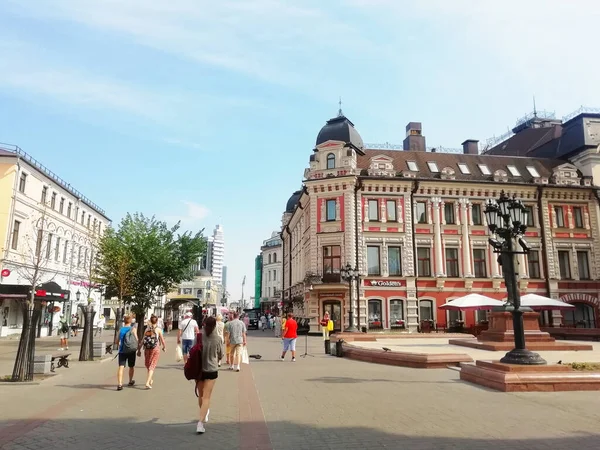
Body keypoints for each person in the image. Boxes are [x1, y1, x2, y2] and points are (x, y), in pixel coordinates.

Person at [195, 316, 224, 434]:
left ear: (204, 324)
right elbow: (221, 354)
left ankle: (203, 414)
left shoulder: (199, 337)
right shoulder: (217, 338)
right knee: (207, 397)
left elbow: (193, 350)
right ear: (214, 326)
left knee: (201, 395)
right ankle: (200, 423)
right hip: (211, 369)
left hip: (199, 369)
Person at [138, 315, 166, 390]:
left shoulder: (146, 329)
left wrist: (139, 350)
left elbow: (142, 340)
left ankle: (150, 379)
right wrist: (164, 347)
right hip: (155, 348)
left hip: (147, 348)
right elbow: (162, 340)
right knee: (152, 365)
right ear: (157, 321)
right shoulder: (159, 329)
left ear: (150, 320)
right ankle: (147, 382)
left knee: (148, 364)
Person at [117, 315, 138, 391]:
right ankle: (130, 381)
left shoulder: (120, 330)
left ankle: (120, 384)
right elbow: (136, 339)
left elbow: (116, 341)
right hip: (131, 350)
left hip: (122, 351)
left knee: (121, 367)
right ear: (130, 321)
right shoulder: (133, 329)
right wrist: (138, 349)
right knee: (131, 366)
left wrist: (120, 344)